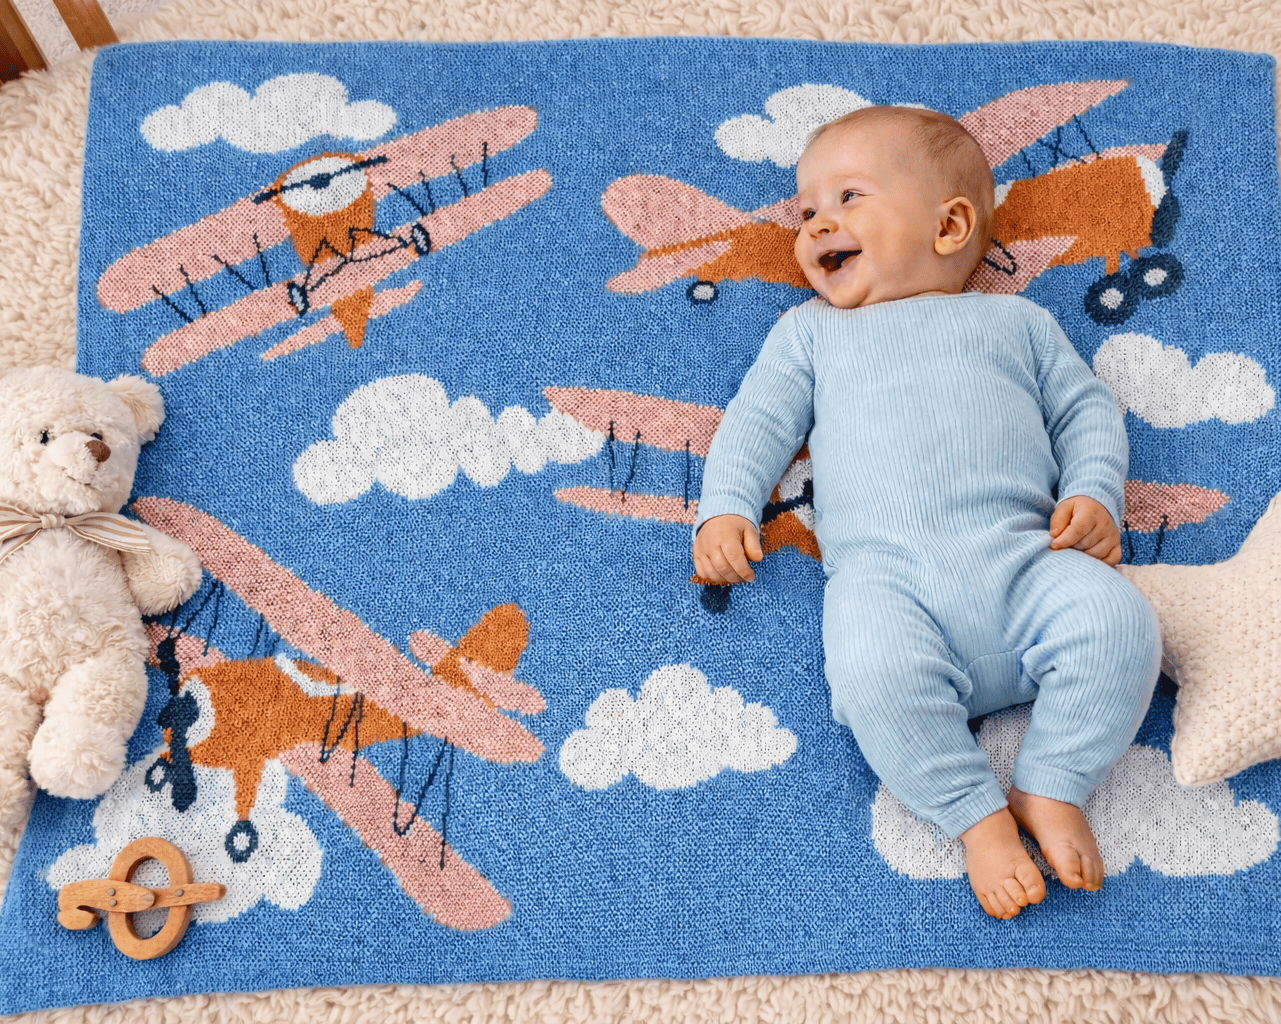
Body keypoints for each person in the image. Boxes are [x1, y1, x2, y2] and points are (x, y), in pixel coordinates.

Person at [691, 106, 1161, 919]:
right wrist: (726, 506)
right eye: (805, 212)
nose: (816, 224)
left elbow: (1086, 413)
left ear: (948, 226)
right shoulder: (809, 335)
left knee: (1122, 625)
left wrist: (1092, 493)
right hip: (886, 583)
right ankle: (975, 819)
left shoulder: (1016, 323)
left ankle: (1051, 783)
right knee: (871, 678)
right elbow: (756, 421)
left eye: (847, 197)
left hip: (1024, 561)